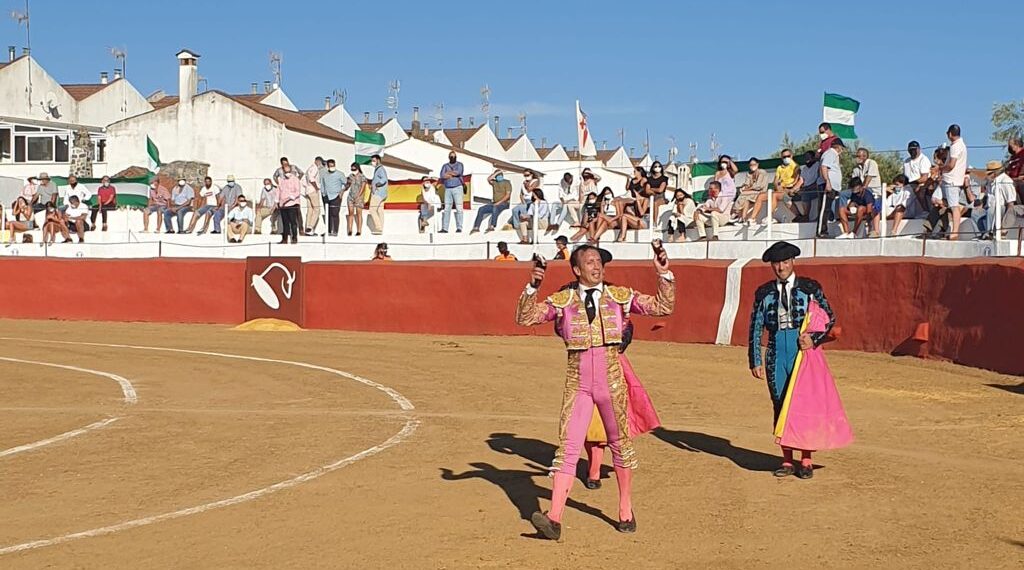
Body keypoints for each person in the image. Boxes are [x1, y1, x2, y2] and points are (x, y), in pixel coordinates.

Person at [514, 244, 675, 541]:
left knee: (620, 444)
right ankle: (554, 519)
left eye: (598, 261)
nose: (596, 266)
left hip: (611, 378)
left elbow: (663, 307)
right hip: (578, 383)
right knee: (568, 449)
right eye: (589, 262)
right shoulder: (564, 299)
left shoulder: (619, 296)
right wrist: (533, 285)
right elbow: (526, 318)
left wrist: (663, 272)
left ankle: (625, 509)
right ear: (576, 269)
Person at [749, 241, 848, 480]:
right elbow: (755, 327)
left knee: (803, 404)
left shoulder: (810, 288)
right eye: (776, 263)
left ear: (793, 262)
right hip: (775, 350)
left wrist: (814, 339)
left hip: (802, 351)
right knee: (780, 402)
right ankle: (786, 459)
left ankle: (806, 459)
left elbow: (829, 318)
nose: (781, 267)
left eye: (785, 262)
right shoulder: (764, 292)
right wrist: (755, 359)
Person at [755, 149, 801, 224]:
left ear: (791, 156)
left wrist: (790, 188)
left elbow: (797, 179)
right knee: (761, 196)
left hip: (790, 189)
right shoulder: (779, 168)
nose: (786, 158)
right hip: (780, 189)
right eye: (784, 157)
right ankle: (752, 219)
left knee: (775, 195)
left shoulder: (795, 166)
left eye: (788, 156)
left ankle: (770, 217)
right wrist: (778, 187)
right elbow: (775, 181)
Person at [940, 125, 968, 240]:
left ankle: (955, 232)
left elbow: (951, 165)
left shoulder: (955, 146)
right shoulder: (961, 145)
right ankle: (951, 230)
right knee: (950, 205)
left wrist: (940, 168)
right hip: (954, 180)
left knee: (954, 207)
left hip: (952, 180)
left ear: (950, 134)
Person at [817, 139, 845, 238]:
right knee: (824, 208)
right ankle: (821, 231)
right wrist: (827, 182)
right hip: (828, 185)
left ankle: (824, 230)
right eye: (842, 148)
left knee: (828, 208)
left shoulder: (833, 155)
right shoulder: (830, 153)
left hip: (833, 186)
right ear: (838, 147)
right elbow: (824, 167)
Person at [735, 157, 769, 224]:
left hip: (761, 192)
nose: (752, 166)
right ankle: (743, 218)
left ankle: (735, 212)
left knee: (743, 195)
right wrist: (743, 188)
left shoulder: (762, 172)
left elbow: (758, 186)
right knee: (745, 199)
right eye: (751, 165)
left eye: (754, 164)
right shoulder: (749, 174)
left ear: (757, 164)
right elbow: (746, 183)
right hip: (751, 193)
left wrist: (747, 189)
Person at [790, 151, 822, 222]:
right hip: (805, 188)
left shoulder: (818, 165)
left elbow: (818, 180)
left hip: (815, 188)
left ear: (813, 157)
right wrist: (793, 189)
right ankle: (798, 216)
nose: (807, 159)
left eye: (809, 157)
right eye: (805, 157)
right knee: (788, 196)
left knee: (805, 194)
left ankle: (806, 216)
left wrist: (806, 188)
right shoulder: (804, 168)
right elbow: (801, 181)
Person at [903, 141, 933, 216]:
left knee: (918, 190)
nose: (912, 151)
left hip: (920, 184)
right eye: (910, 149)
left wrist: (914, 183)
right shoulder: (906, 162)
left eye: (914, 149)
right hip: (907, 185)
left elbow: (924, 177)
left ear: (919, 149)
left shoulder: (923, 159)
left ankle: (926, 211)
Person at [439, 151, 465, 233]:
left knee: (459, 208)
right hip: (448, 189)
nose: (452, 158)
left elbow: (458, 172)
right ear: (449, 157)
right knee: (447, 209)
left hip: (457, 187)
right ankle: (445, 228)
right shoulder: (445, 165)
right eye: (451, 156)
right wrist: (450, 174)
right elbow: (442, 175)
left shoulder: (459, 164)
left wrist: (449, 173)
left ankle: (459, 227)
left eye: (454, 156)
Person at [277, 163, 303, 244]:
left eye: (288, 171)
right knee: (285, 223)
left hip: (292, 204)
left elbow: (297, 192)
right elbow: (278, 191)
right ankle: (284, 239)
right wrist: (277, 201)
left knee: (293, 222)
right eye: (285, 171)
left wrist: (288, 198)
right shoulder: (281, 180)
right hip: (283, 205)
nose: (287, 173)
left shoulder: (295, 179)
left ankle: (294, 238)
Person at [319, 160, 346, 236]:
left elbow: (346, 183)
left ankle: (335, 231)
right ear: (327, 166)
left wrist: (342, 191)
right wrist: (323, 194)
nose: (332, 167)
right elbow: (322, 185)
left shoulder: (340, 174)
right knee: (328, 214)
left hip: (336, 196)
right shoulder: (324, 174)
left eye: (333, 166)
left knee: (335, 214)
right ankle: (328, 231)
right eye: (330, 166)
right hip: (326, 196)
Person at [510, 170, 540, 234]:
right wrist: (523, 201)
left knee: (523, 210)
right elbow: (521, 194)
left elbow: (529, 189)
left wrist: (526, 184)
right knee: (514, 210)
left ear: (531, 175)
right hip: (524, 200)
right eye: (525, 175)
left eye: (527, 175)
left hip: (531, 199)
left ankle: (526, 225)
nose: (526, 177)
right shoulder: (523, 183)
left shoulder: (535, 181)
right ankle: (517, 226)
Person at [303, 157, 324, 235]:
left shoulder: (309, 168)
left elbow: (304, 181)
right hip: (312, 190)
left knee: (310, 210)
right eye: (320, 162)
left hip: (307, 190)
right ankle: (310, 227)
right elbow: (312, 179)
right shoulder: (314, 168)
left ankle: (307, 228)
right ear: (317, 161)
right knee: (317, 209)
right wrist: (316, 187)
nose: (320, 164)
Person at [368, 155, 388, 235]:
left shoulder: (380, 169)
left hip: (378, 193)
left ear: (378, 160)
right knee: (380, 211)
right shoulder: (379, 169)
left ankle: (378, 227)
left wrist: (376, 185)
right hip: (382, 193)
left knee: (372, 209)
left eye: (374, 160)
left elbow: (384, 180)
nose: (372, 162)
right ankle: (380, 229)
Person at [346, 162, 367, 236]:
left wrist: (358, 196)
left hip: (359, 198)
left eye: (354, 169)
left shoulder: (362, 177)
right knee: (350, 213)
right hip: (351, 197)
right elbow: (347, 185)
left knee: (359, 214)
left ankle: (359, 230)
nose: (353, 170)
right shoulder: (350, 176)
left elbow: (363, 187)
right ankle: (350, 230)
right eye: (352, 169)